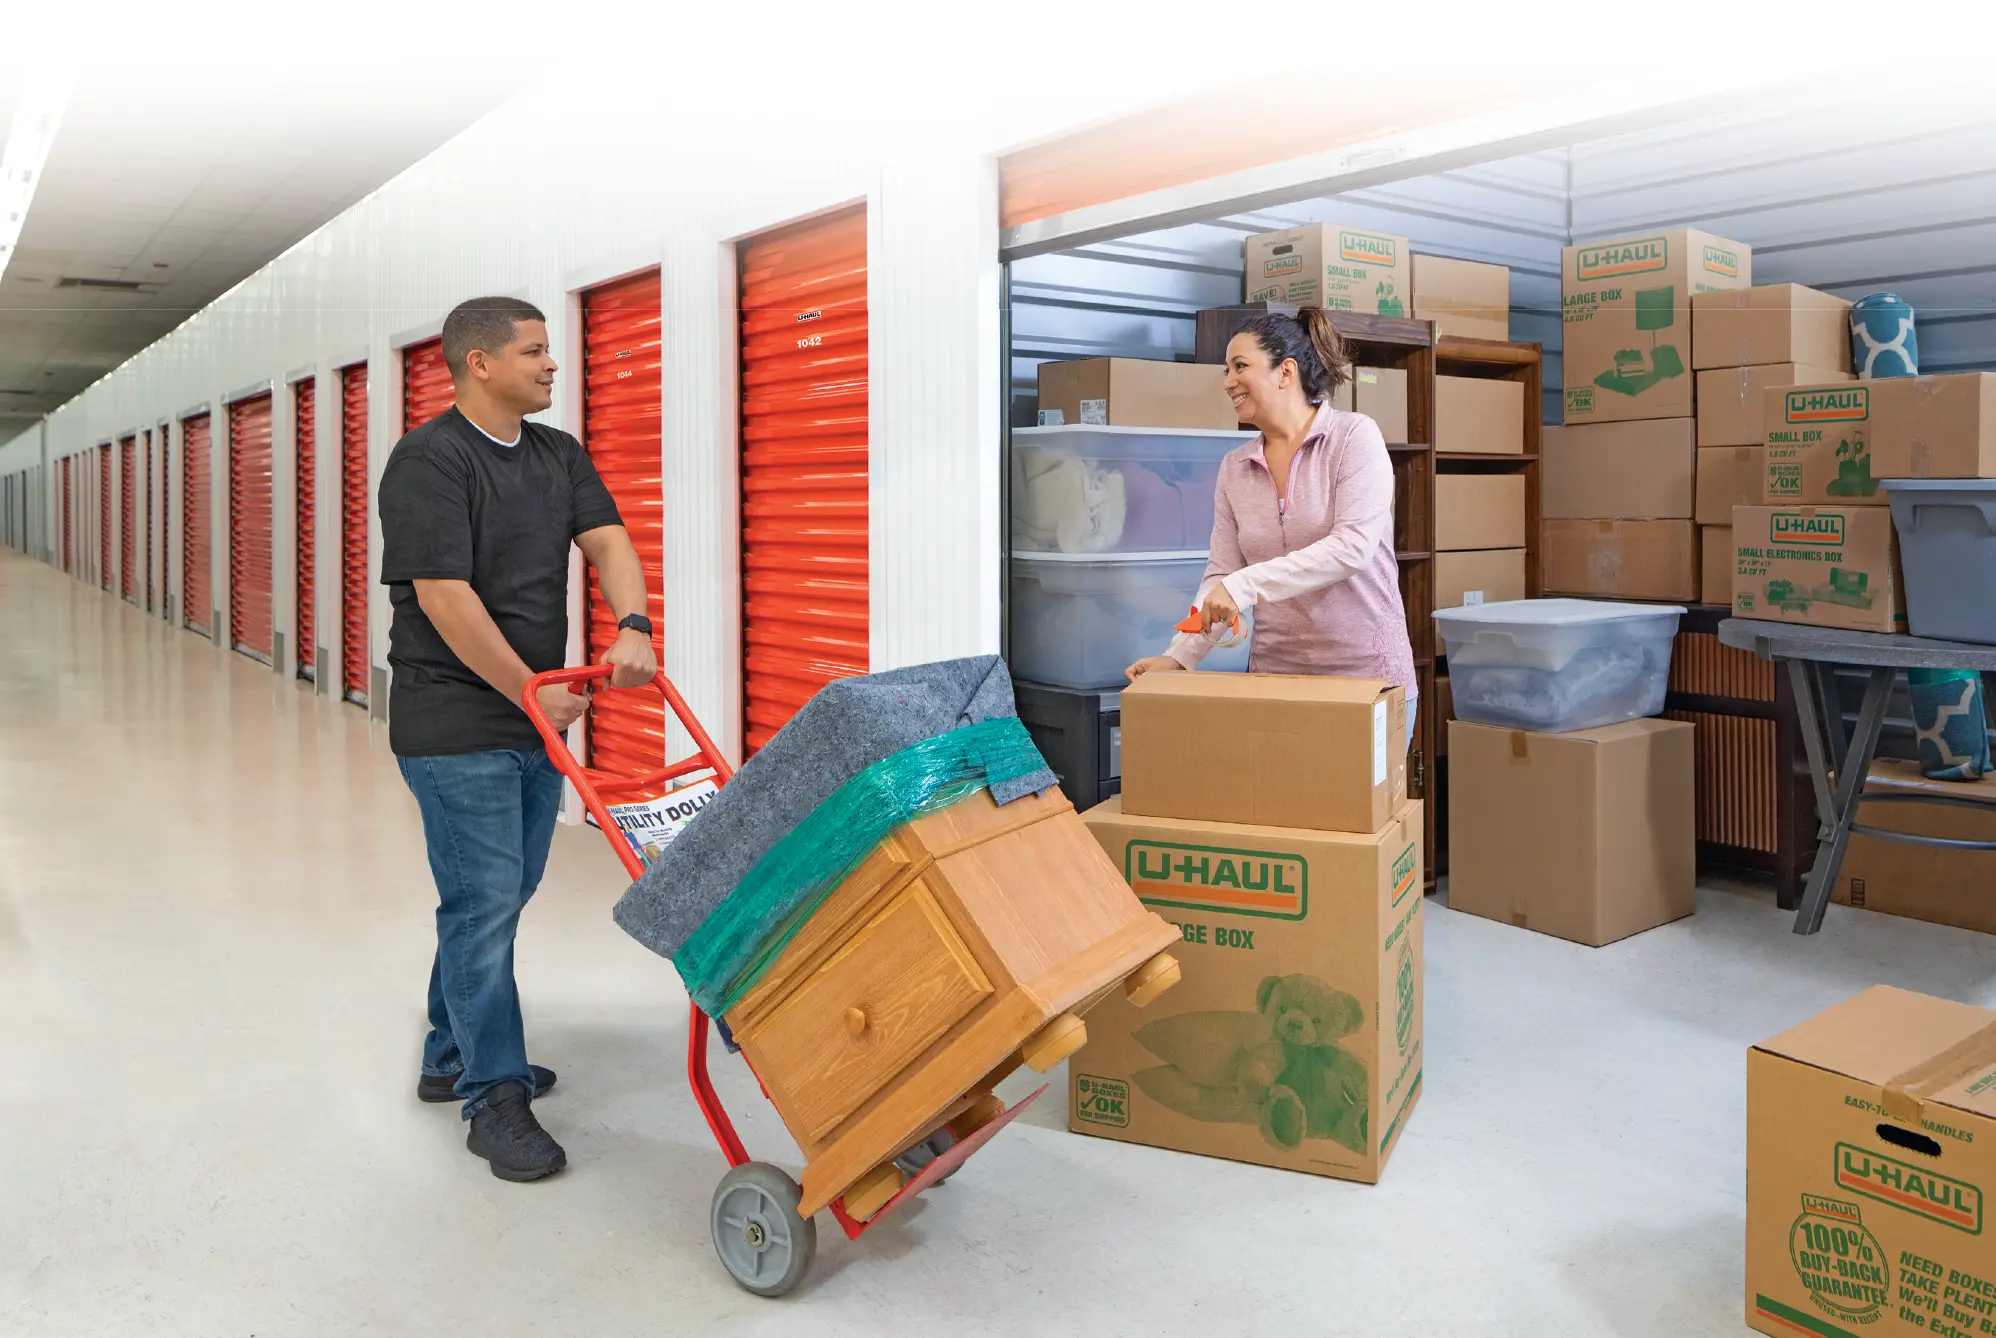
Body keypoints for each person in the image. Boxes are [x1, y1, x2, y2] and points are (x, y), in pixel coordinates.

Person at [378, 296, 657, 1181]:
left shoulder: (556, 453)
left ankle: (446, 1049)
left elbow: (608, 541)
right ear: (478, 363)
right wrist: (528, 694)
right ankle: (493, 1096)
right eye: (535, 351)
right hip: (454, 717)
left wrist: (636, 624)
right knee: (487, 898)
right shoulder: (429, 461)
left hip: (530, 713)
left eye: (551, 350)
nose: (552, 366)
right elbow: (443, 596)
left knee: (501, 890)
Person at [1125, 308, 1418, 741]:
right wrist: (1180, 657)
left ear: (1286, 372)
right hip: (1276, 683)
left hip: (1368, 682)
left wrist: (1242, 587)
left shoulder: (1355, 438)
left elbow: (1352, 547)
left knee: (1357, 811)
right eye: (1227, 369)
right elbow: (1221, 574)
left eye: (1240, 366)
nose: (1227, 381)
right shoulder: (1235, 468)